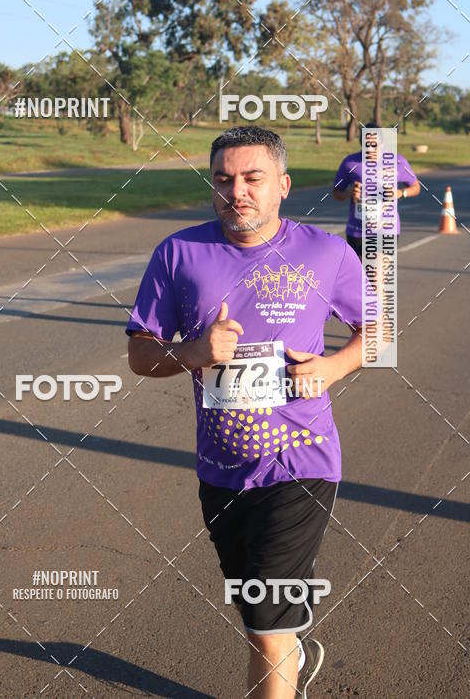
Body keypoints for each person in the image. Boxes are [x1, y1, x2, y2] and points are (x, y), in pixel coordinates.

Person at [126, 125, 366, 698]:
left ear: (282, 185)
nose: (238, 191)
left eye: (253, 178)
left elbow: (376, 333)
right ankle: (290, 646)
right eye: (224, 180)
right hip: (221, 468)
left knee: (263, 629)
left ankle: (283, 649)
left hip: (301, 463)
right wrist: (192, 352)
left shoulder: (325, 252)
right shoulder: (178, 253)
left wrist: (332, 368)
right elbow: (139, 352)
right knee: (259, 616)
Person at [332, 122, 421, 258]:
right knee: (362, 278)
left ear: (382, 143)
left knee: (377, 276)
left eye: (374, 145)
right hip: (357, 231)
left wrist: (400, 193)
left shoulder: (397, 161)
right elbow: (336, 193)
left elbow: (416, 187)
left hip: (387, 230)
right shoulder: (350, 163)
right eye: (366, 145)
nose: (370, 150)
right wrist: (349, 193)